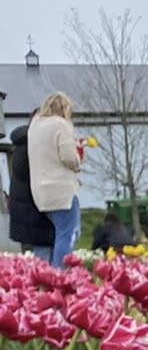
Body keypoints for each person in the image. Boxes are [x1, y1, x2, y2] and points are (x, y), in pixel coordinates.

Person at [27, 92, 84, 267]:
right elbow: (68, 157)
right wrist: (78, 157)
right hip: (61, 192)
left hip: (40, 193)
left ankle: (46, 274)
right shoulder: (61, 124)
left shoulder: (35, 126)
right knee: (66, 235)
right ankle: (61, 275)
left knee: (55, 236)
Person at [3, 124, 56, 259]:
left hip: (23, 209)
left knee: (30, 250)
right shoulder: (32, 148)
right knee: (40, 254)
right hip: (34, 208)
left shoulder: (20, 146)